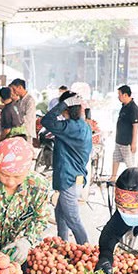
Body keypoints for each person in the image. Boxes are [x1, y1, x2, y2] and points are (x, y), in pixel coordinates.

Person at [41, 91, 92, 245]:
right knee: (61, 214)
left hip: (70, 179)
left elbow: (47, 120)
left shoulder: (70, 127)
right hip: (74, 177)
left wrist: (65, 103)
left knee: (73, 219)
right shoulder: (82, 126)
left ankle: (87, 249)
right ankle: (62, 245)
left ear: (66, 110)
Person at [111, 85, 138, 179]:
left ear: (125, 95)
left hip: (127, 142)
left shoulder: (133, 108)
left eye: (119, 94)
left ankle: (133, 181)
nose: (118, 97)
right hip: (119, 140)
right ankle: (113, 177)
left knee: (129, 164)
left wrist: (133, 143)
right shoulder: (124, 106)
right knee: (115, 158)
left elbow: (135, 126)